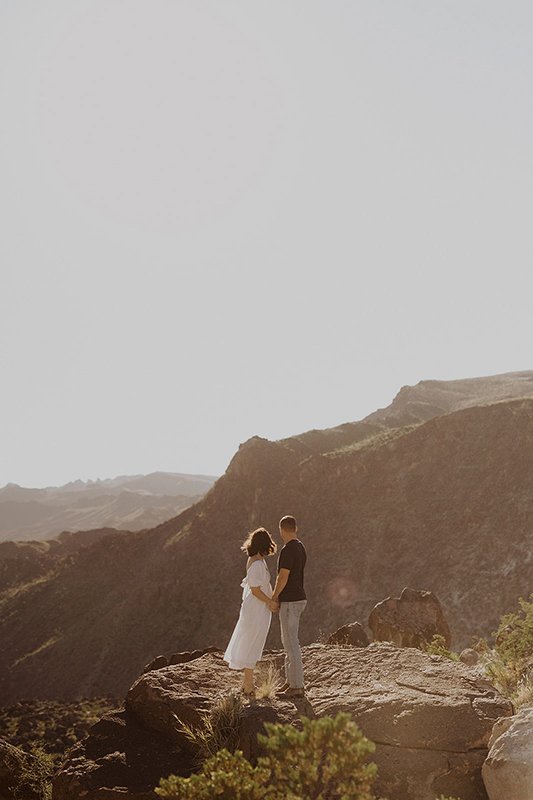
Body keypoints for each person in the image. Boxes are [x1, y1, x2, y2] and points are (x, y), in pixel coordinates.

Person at [224, 527, 278, 696]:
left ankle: (246, 684)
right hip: (256, 610)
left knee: (252, 642)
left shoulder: (256, 560)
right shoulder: (256, 564)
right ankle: (248, 686)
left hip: (256, 609)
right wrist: (270, 602)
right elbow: (255, 590)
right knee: (253, 643)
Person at [272, 515, 307, 698]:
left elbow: (283, 576)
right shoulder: (300, 547)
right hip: (299, 599)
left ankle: (297, 686)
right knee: (288, 641)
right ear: (296, 528)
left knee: (291, 643)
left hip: (290, 601)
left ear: (281, 530)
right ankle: (290, 682)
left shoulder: (287, 550)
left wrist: (274, 596)